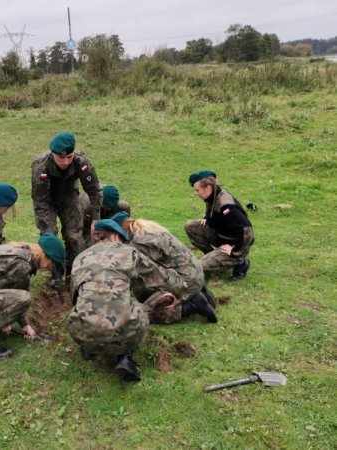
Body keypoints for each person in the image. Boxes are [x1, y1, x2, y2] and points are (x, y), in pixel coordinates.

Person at [69, 219, 184, 382]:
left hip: (80, 331)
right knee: (139, 308)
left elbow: (74, 296)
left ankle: (88, 348)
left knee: (87, 302)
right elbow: (160, 277)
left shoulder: (81, 257)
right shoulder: (129, 253)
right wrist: (180, 286)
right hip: (123, 331)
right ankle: (125, 357)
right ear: (116, 236)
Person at [111, 212, 217, 324]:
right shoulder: (149, 230)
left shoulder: (138, 242)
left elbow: (147, 271)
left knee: (145, 314)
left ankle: (191, 305)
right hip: (195, 273)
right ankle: (201, 292)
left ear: (122, 230)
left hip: (187, 281)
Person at [31, 131, 102, 282]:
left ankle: (74, 272)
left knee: (74, 237)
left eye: (69, 157)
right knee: (49, 236)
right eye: (60, 158)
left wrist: (96, 218)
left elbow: (94, 191)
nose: (65, 162)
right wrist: (46, 225)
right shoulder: (40, 165)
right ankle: (55, 273)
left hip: (69, 198)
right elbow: (40, 199)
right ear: (53, 154)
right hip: (47, 200)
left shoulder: (81, 162)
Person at [184, 170, 254, 281]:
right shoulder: (213, 195)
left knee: (198, 267)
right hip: (221, 236)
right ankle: (212, 257)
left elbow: (247, 231)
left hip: (233, 245)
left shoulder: (227, 206)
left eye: (197, 190)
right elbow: (215, 214)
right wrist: (207, 219)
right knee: (191, 226)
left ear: (207, 188)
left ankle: (240, 262)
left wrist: (236, 251)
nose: (196, 193)